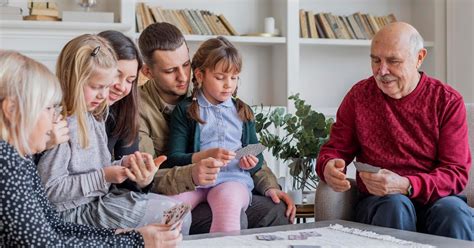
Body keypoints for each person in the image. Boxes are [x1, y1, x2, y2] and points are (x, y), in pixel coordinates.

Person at [0, 50, 182, 247]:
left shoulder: (18, 159)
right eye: (47, 108)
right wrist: (134, 242)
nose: (55, 118)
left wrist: (123, 235)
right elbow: (45, 244)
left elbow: (55, 226)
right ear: (11, 110)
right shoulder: (7, 164)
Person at [316, 22, 473, 240]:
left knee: (453, 214)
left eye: (393, 61)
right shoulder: (359, 96)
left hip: (438, 199)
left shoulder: (446, 101)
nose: (382, 70)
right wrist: (328, 166)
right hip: (380, 202)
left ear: (419, 57)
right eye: (375, 60)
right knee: (395, 205)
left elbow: (455, 173)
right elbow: (334, 150)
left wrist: (407, 185)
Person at [137, 22, 295, 233]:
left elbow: (252, 151)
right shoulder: (138, 110)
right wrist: (193, 172)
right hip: (183, 186)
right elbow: (145, 179)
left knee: (277, 209)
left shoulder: (221, 97)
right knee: (196, 212)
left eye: (186, 65)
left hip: (231, 182)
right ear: (148, 71)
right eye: (170, 70)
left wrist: (270, 186)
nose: (184, 77)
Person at [36, 34, 190, 233]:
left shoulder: (95, 115)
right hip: (71, 212)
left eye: (106, 87)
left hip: (95, 202)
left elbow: (97, 169)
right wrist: (105, 176)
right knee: (171, 216)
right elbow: (50, 191)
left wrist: (123, 166)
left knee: (179, 213)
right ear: (74, 78)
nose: (103, 95)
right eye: (96, 87)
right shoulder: (61, 125)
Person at [163, 36, 265, 232]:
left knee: (228, 203)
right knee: (169, 209)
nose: (228, 85)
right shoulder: (186, 110)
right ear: (200, 75)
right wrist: (205, 157)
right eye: (220, 77)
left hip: (233, 180)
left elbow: (257, 152)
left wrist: (251, 161)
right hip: (195, 180)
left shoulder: (243, 111)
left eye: (234, 78)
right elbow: (173, 158)